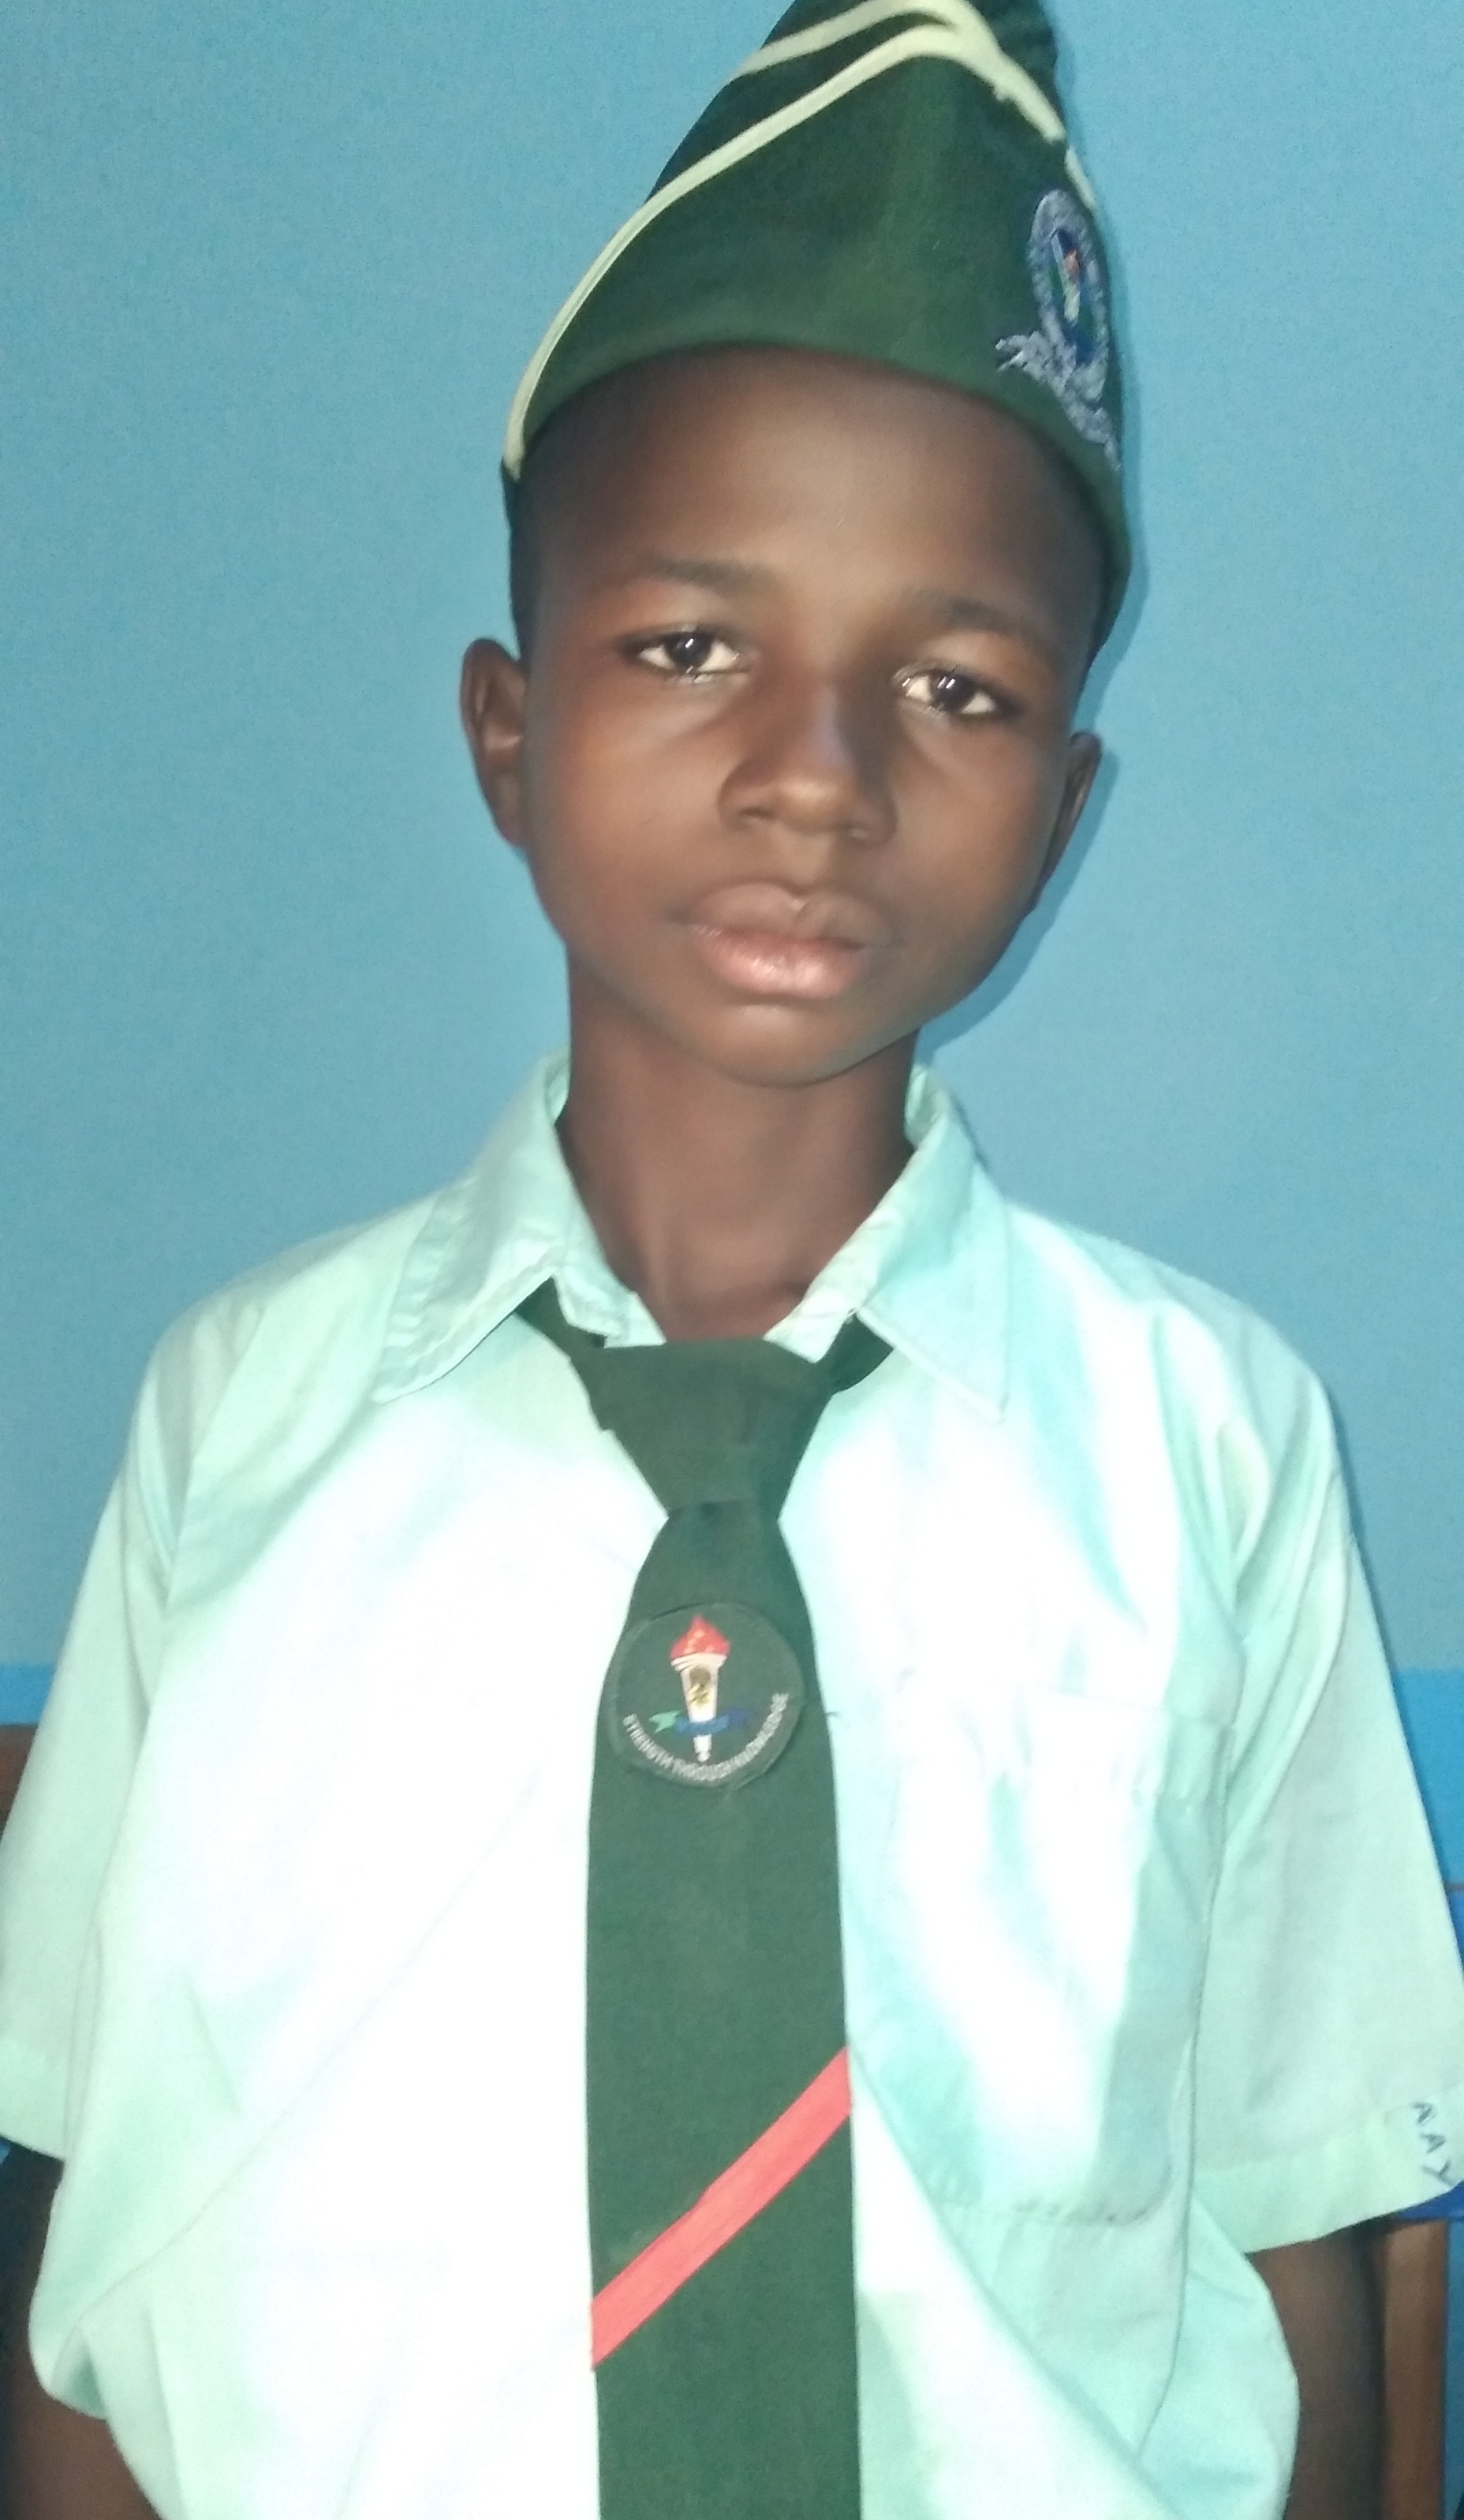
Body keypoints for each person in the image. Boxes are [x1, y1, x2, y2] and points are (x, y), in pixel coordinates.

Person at [2, 5, 1462, 2516]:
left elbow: (1316, 2228)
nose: (816, 773)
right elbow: (80, 2175)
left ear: (1063, 802)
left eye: (957, 685)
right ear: (506, 731)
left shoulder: (1209, 1448)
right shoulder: (240, 1417)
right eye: (691, 644)